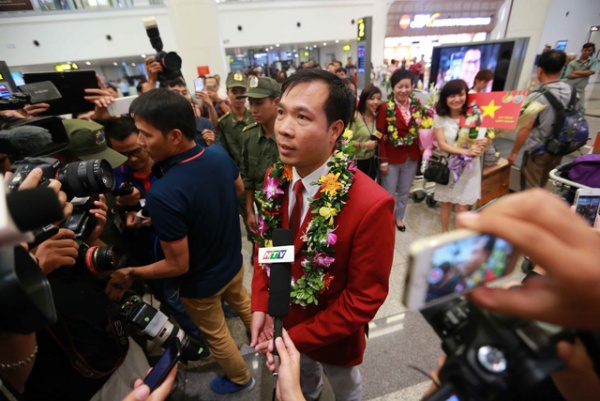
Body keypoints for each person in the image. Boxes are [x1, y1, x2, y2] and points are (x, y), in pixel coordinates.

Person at [250, 69, 395, 401]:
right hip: (284, 317)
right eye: (282, 112)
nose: (283, 128)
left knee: (345, 385)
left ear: (335, 130)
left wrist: (296, 339)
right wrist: (261, 304)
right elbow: (271, 246)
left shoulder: (371, 205)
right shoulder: (277, 177)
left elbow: (364, 298)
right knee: (305, 380)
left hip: (333, 333)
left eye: (302, 117)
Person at [105, 89, 255, 395]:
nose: (140, 143)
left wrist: (132, 273)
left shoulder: (164, 192)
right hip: (232, 261)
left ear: (174, 136)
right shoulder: (216, 154)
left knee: (218, 335)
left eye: (145, 135)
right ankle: (261, 335)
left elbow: (178, 263)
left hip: (202, 284)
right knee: (242, 300)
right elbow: (238, 188)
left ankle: (241, 378)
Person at [507, 50, 572, 190]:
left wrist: (514, 152)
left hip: (538, 151)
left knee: (530, 190)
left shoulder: (536, 96)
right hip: (558, 149)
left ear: (539, 70)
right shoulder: (570, 90)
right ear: (561, 69)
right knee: (542, 184)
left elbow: (526, 127)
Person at [432, 79, 486, 232]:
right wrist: (466, 152)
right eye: (451, 96)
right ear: (445, 98)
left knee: (463, 207)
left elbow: (482, 138)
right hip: (449, 166)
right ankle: (444, 233)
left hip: (469, 168)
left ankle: (456, 238)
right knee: (446, 203)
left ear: (466, 95)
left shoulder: (475, 115)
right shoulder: (440, 118)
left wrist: (484, 143)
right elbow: (442, 144)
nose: (456, 99)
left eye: (460, 95)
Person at [376, 69, 421, 232]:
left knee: (404, 190)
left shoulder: (417, 105)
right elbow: (380, 135)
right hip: (391, 158)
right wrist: (383, 161)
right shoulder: (385, 107)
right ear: (393, 88)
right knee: (388, 193)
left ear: (412, 87)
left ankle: (399, 217)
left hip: (412, 156)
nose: (403, 90)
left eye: (407, 86)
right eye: (399, 87)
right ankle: (386, 219)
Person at [238, 76, 281, 237]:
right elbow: (248, 178)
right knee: (266, 257)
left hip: (289, 213)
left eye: (259, 103)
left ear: (276, 102)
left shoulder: (290, 135)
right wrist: (250, 211)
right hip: (262, 212)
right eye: (251, 103)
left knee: (289, 258)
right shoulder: (249, 136)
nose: (253, 109)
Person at [165, 77, 218, 147]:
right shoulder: (162, 126)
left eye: (184, 93)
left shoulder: (203, 123)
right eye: (175, 92)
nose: (181, 96)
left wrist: (211, 144)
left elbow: (219, 150)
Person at [348, 84, 381, 179]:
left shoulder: (376, 117)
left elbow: (376, 133)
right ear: (364, 100)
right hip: (356, 161)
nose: (376, 102)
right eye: (372, 98)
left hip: (372, 160)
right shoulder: (355, 117)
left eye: (378, 99)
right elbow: (345, 142)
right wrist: (364, 145)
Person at [564, 42, 597, 113]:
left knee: (580, 109)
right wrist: (586, 73)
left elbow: (592, 71)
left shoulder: (593, 61)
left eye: (589, 50)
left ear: (592, 51)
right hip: (569, 88)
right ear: (582, 50)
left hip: (580, 89)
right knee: (565, 107)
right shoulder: (572, 63)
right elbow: (568, 75)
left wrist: (576, 72)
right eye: (585, 50)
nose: (587, 52)